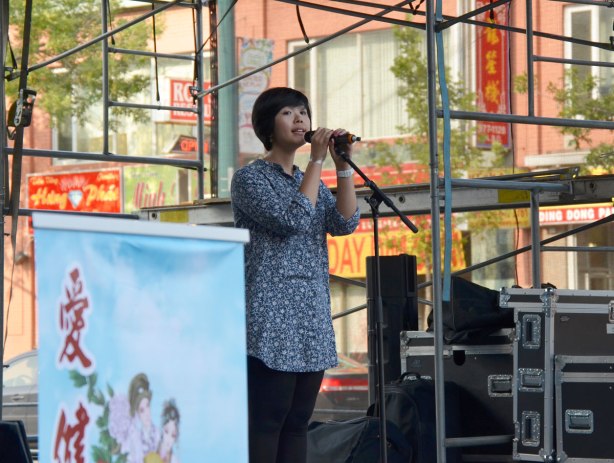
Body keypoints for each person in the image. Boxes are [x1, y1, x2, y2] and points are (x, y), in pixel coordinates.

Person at [230, 87, 360, 463]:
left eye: (303, 111)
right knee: (268, 420)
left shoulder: (311, 180)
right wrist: (318, 161)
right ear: (267, 126)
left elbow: (345, 222)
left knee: (299, 420)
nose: (300, 119)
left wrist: (342, 166)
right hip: (272, 312)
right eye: (288, 112)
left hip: (311, 311)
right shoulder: (250, 179)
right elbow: (293, 219)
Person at [126, 373, 160, 463]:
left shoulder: (157, 433)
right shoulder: (134, 437)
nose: (147, 413)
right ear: (137, 413)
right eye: (142, 410)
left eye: (148, 406)